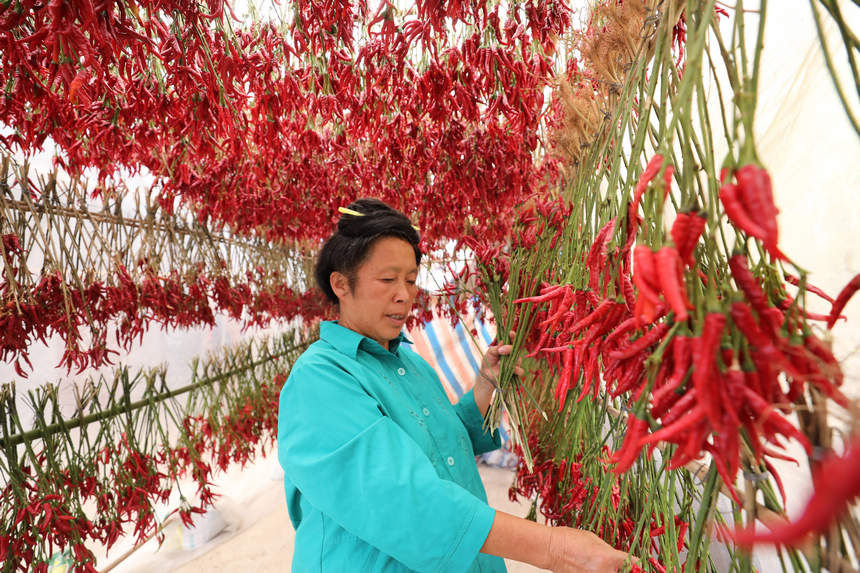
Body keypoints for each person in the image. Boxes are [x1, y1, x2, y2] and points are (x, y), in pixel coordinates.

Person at [277, 198, 633, 572]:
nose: (404, 294)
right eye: (387, 280)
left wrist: (484, 385)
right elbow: (399, 497)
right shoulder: (319, 379)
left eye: (411, 280)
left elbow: (442, 443)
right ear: (340, 285)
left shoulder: (409, 363)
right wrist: (554, 548)